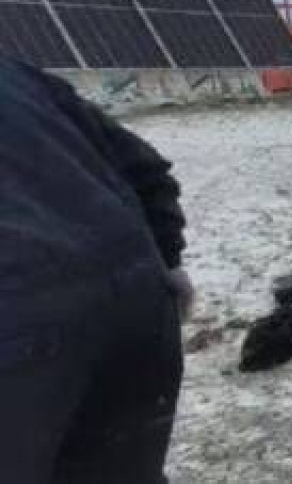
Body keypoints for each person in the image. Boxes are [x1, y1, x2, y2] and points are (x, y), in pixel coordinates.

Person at [0, 57, 194, 483]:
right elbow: (148, 171)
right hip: (141, 305)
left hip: (21, 331)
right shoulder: (21, 79)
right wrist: (166, 262)